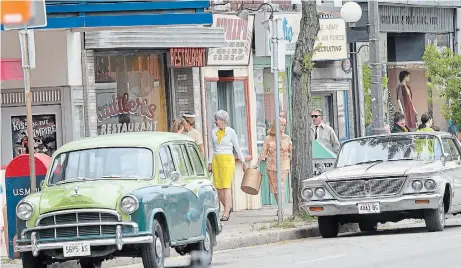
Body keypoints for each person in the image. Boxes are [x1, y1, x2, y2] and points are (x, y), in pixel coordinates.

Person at [208, 110, 247, 221]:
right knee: (218, 187)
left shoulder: (231, 132)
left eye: (218, 119)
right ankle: (227, 206)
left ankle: (226, 213)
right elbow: (212, 147)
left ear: (223, 121)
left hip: (227, 160)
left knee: (226, 186)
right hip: (217, 159)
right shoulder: (213, 132)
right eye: (215, 119)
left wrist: (243, 161)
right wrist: (209, 162)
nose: (216, 121)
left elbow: (237, 147)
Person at [253, 117, 292, 216]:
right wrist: (257, 165)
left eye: (284, 125)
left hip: (284, 164)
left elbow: (291, 152)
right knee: (274, 188)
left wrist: (292, 161)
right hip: (271, 165)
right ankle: (279, 205)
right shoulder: (268, 138)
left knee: (280, 185)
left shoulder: (287, 138)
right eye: (281, 125)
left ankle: (281, 208)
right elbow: (263, 153)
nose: (283, 127)